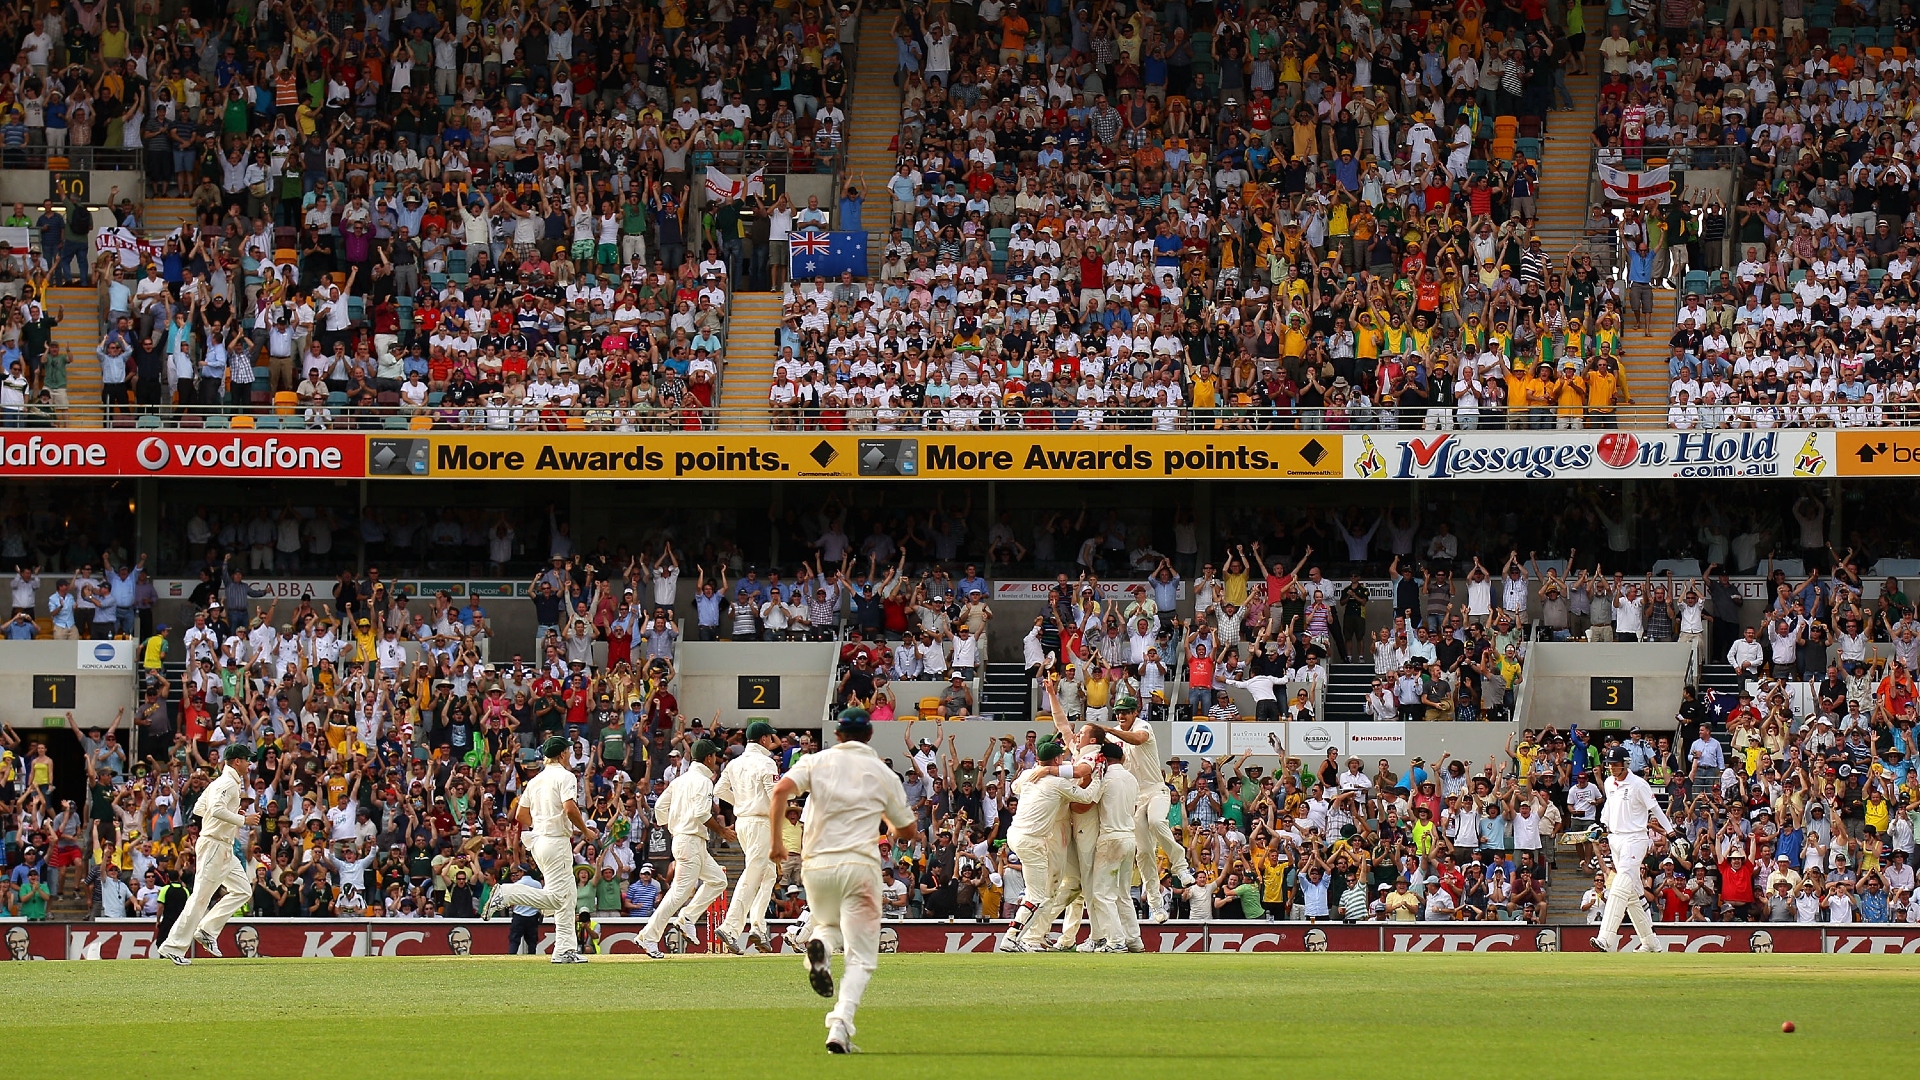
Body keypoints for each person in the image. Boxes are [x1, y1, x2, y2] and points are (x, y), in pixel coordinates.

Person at [770, 707, 920, 1055]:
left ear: (837, 734)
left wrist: (776, 842)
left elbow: (779, 793)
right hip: (860, 867)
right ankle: (840, 1025)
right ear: (869, 735)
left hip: (818, 865)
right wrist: (893, 826)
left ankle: (818, 956)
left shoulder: (815, 762)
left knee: (826, 924)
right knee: (861, 956)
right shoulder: (882, 772)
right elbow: (907, 829)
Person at [482, 735, 598, 963]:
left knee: (568, 896)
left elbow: (521, 815)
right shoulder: (566, 776)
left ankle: (564, 950)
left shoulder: (535, 780)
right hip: (555, 843)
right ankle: (505, 893)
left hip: (540, 841)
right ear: (563, 754)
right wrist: (585, 831)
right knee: (557, 899)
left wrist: (545, 823)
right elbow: (570, 808)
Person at [156, 744, 258, 965]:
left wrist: (231, 814)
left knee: (243, 891)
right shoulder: (226, 783)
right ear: (237, 762)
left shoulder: (221, 783)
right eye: (246, 759)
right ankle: (173, 946)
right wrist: (242, 820)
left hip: (224, 848)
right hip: (214, 845)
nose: (249, 763)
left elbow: (199, 810)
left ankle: (207, 930)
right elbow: (214, 811)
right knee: (201, 898)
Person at [637, 739, 734, 958]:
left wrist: (672, 826)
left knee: (719, 880)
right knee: (679, 892)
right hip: (689, 840)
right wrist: (722, 831)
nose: (716, 761)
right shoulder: (704, 781)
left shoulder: (680, 781)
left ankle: (687, 917)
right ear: (708, 758)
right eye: (714, 757)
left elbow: (660, 807)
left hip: (690, 840)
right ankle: (648, 936)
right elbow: (701, 814)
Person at [998, 735, 1096, 951]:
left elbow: (1015, 787)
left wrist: (1037, 770)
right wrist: (1097, 778)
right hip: (1032, 841)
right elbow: (1088, 797)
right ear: (1058, 760)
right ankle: (1012, 937)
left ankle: (1017, 937)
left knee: (1039, 894)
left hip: (1015, 835)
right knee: (1038, 897)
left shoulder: (1027, 775)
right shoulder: (1058, 782)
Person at [1109, 694, 1197, 920]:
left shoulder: (1143, 726)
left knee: (1157, 821)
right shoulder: (1113, 734)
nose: (1120, 716)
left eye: (1125, 712)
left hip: (1157, 790)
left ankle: (1180, 866)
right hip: (1135, 799)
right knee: (1145, 853)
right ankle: (1157, 906)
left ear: (1134, 713)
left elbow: (1137, 739)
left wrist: (1106, 730)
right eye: (1118, 712)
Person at [1593, 744, 1675, 954]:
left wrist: (1669, 830)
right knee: (1632, 894)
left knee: (1619, 886)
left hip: (1635, 839)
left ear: (1625, 764)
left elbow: (1655, 808)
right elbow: (1609, 807)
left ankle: (1606, 938)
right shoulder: (1610, 783)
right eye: (1609, 764)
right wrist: (1601, 826)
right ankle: (1650, 943)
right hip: (1615, 840)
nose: (1611, 768)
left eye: (1616, 764)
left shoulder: (1639, 784)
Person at [714, 721, 783, 954]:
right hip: (760, 823)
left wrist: (742, 804)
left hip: (744, 821)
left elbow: (719, 791)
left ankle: (757, 926)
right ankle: (731, 927)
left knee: (768, 874)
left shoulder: (735, 763)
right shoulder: (767, 763)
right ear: (763, 739)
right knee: (753, 873)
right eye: (770, 738)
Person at [1084, 739, 1143, 953]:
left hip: (1110, 838)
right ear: (1121, 758)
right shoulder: (1131, 779)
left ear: (1105, 760)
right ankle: (1134, 940)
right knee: (1123, 893)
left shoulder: (1105, 778)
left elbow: (1088, 800)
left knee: (1101, 894)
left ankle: (1116, 941)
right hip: (1129, 838)